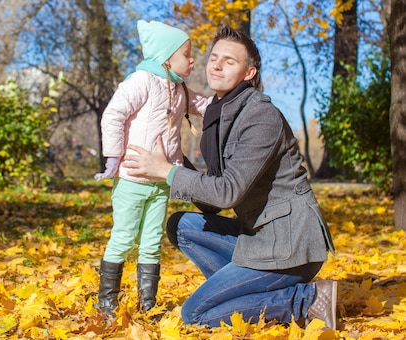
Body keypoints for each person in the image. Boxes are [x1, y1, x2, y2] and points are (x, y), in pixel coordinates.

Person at [122, 25, 338, 329]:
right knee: (181, 225)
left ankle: (306, 299)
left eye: (230, 61)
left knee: (194, 315)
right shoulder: (221, 114)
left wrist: (166, 171)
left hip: (290, 247)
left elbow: (227, 193)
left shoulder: (259, 115)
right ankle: (242, 293)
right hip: (259, 237)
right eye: (214, 57)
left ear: (249, 73)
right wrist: (173, 157)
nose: (217, 65)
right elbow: (212, 206)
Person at [93, 20, 212, 317]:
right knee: (123, 238)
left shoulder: (179, 88)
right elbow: (113, 115)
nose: (192, 60)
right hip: (133, 178)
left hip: (160, 181)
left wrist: (238, 101)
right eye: (187, 54)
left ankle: (147, 303)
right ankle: (107, 301)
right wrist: (113, 156)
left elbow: (206, 105)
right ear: (166, 56)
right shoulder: (141, 81)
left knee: (151, 243)